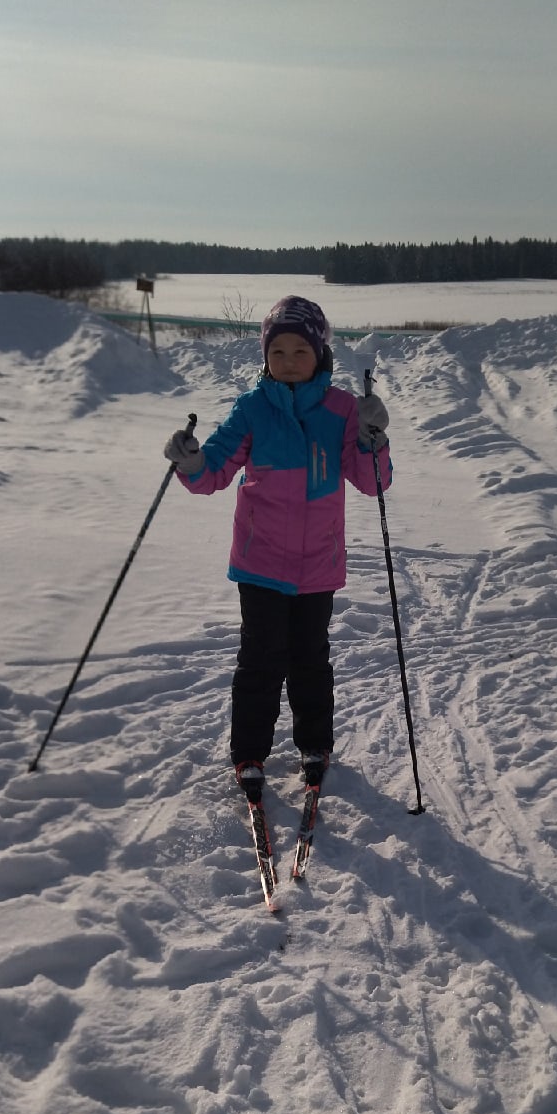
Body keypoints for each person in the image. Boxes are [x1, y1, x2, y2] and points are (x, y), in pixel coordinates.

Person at [164, 295, 391, 803]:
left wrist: (373, 439)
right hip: (260, 562)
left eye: (300, 351)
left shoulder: (342, 410)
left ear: (320, 353)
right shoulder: (252, 409)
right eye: (278, 352)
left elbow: (371, 481)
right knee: (260, 661)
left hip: (318, 565)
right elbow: (214, 471)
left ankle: (315, 746)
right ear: (265, 356)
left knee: (311, 660)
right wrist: (191, 461)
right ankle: (249, 753)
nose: (288, 362)